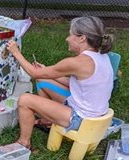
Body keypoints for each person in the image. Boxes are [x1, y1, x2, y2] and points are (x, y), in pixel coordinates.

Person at [6, 16, 113, 149]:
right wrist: (45, 71)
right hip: (96, 115)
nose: (67, 39)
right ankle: (47, 121)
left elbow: (34, 74)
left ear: (82, 38)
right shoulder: (102, 56)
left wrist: (16, 53)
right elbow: (78, 85)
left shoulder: (77, 62)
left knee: (25, 100)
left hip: (81, 119)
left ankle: (23, 142)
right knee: (43, 79)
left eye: (70, 35)